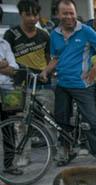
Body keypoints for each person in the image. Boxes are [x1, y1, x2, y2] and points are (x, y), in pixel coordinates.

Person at [40, 0, 96, 165]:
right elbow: (56, 58)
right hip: (62, 84)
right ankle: (67, 151)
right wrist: (46, 71)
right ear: (58, 15)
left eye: (71, 13)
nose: (69, 16)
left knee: (91, 119)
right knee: (61, 119)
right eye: (65, 13)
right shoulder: (54, 34)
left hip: (82, 85)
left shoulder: (85, 31)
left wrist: (94, 69)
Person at [4, 0, 53, 170]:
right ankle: (23, 156)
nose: (32, 18)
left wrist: (47, 73)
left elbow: (50, 58)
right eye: (28, 15)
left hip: (42, 83)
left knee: (49, 119)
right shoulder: (11, 35)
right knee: (20, 122)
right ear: (21, 15)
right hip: (19, 85)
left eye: (35, 14)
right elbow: (6, 61)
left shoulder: (44, 35)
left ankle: (53, 153)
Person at [0, 6, 21, 176]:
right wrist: (3, 64)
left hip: (6, 90)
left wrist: (6, 66)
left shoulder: (4, 43)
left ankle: (9, 164)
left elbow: (14, 68)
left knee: (9, 129)